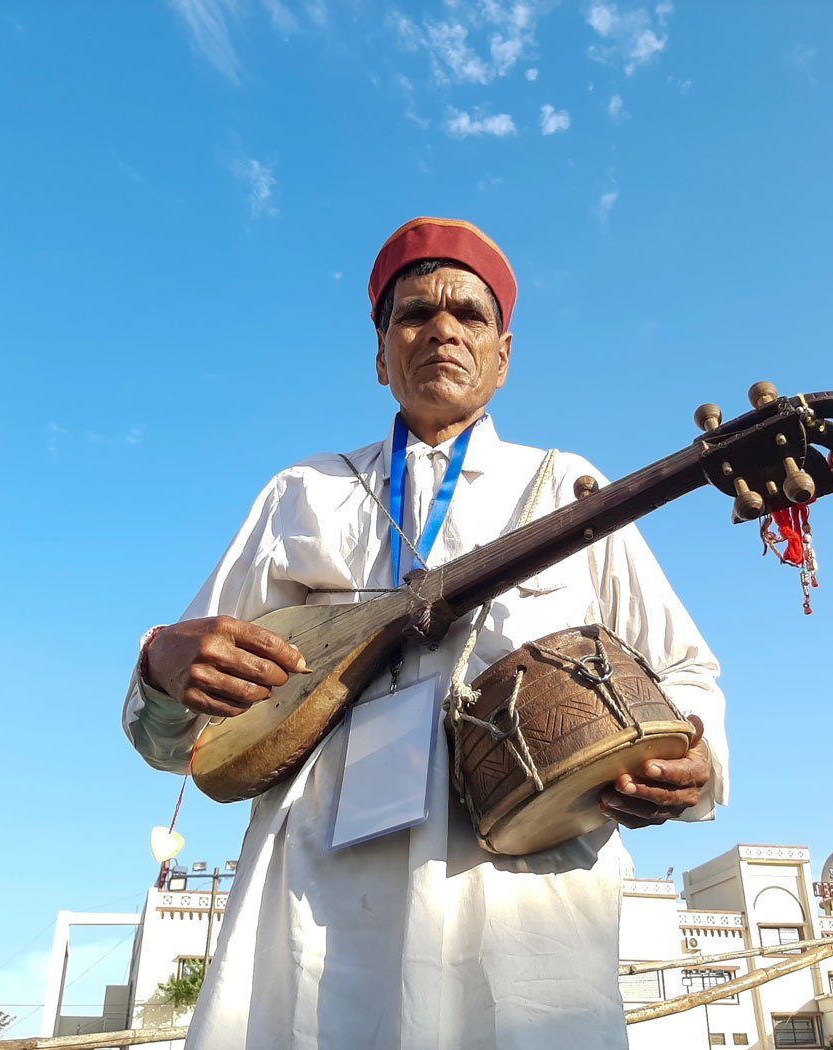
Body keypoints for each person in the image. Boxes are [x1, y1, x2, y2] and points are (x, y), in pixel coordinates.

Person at [123, 216, 728, 1050]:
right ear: (380, 356)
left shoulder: (574, 490)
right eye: (413, 314)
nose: (441, 328)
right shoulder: (301, 494)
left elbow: (687, 670)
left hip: (519, 900)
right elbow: (175, 738)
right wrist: (161, 662)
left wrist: (697, 760)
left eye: (469, 315)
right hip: (312, 895)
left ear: (504, 355)